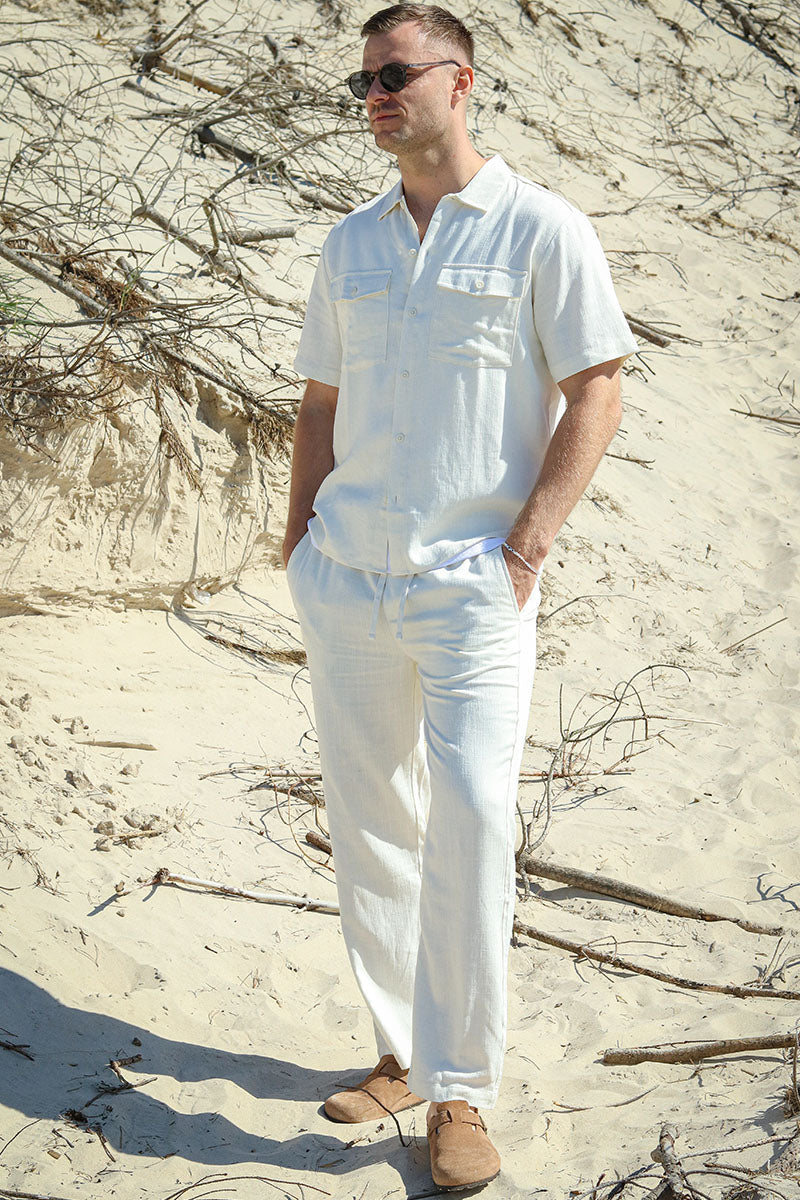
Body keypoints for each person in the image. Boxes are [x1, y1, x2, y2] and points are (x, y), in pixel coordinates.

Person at [282, 5, 637, 1190]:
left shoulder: (542, 228)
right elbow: (319, 403)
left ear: (459, 80)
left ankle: (461, 1090)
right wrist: (298, 542)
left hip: (473, 588)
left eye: (394, 74)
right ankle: (401, 1050)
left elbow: (596, 387)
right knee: (371, 822)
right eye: (363, 82)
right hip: (348, 578)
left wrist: (524, 549)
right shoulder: (352, 244)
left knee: (474, 818)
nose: (376, 96)